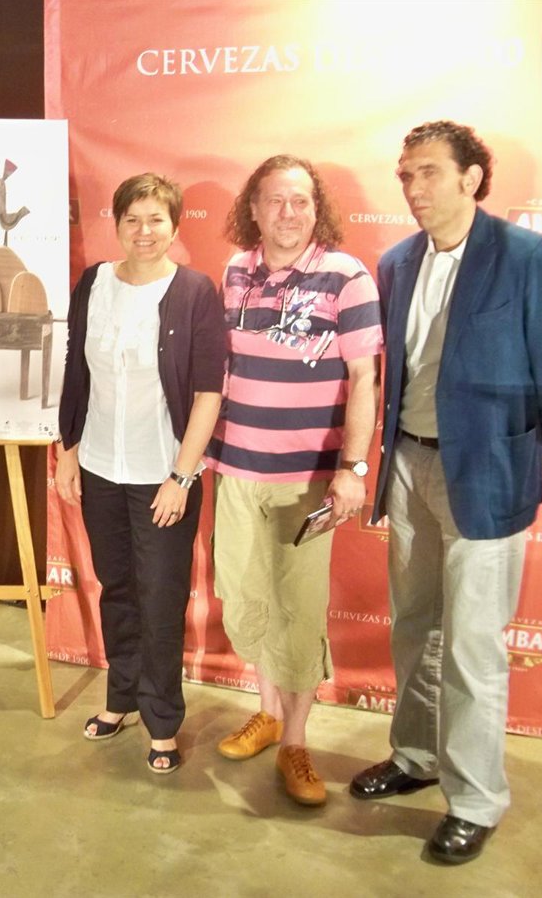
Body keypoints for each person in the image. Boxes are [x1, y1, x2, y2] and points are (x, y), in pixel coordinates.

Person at [349, 121, 542, 864]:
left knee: (471, 644)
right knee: (415, 625)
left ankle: (474, 800)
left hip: (488, 475)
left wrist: (525, 447)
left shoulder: (529, 256)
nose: (414, 187)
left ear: (472, 178)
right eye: (406, 174)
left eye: (430, 172)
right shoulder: (397, 262)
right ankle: (416, 756)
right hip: (408, 463)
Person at [206, 155, 382, 805]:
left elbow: (364, 379)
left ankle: (296, 741)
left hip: (307, 480)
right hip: (235, 470)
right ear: (253, 209)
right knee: (245, 596)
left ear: (317, 209)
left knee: (298, 608)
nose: (288, 212)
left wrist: (353, 470)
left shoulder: (346, 276)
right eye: (275, 200)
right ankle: (268, 711)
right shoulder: (235, 272)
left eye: (301, 200)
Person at [56, 173, 226, 774]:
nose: (144, 231)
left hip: (163, 474)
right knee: (118, 588)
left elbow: (208, 392)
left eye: (156, 219)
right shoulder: (93, 283)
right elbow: (76, 371)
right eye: (132, 219)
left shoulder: (194, 291)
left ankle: (161, 720)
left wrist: (182, 477)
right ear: (118, 224)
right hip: (101, 466)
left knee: (160, 597)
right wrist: (68, 450)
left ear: (175, 227)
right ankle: (121, 697)